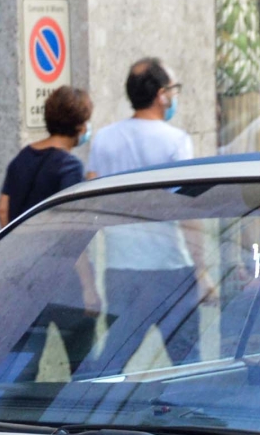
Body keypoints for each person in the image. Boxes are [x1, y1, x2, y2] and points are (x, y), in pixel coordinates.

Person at [76, 58, 200, 371]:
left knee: (115, 355)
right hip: (169, 266)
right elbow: (187, 210)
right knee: (187, 361)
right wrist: (205, 271)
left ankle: (91, 406)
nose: (173, 97)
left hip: (120, 266)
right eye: (172, 90)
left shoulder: (104, 138)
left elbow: (92, 203)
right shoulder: (177, 141)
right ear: (161, 94)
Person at [0, 85, 91, 225]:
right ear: (80, 127)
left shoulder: (22, 157)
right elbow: (72, 218)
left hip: (18, 243)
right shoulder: (70, 166)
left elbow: (2, 209)